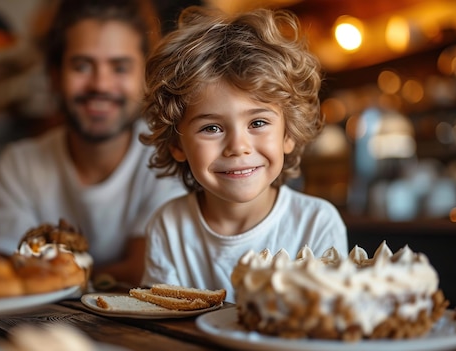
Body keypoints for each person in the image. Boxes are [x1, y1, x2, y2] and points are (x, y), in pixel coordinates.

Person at [139, 6, 348, 301]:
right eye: (211, 128)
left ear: (288, 134)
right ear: (177, 144)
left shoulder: (317, 223)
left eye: (258, 123)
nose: (238, 146)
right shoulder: (169, 226)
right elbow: (162, 325)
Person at [0, 0, 186, 287]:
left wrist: (50, 274)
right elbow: (3, 271)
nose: (100, 84)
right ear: (54, 76)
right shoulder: (20, 165)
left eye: (120, 67)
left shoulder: (167, 156)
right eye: (82, 65)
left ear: (145, 78)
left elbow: (143, 270)